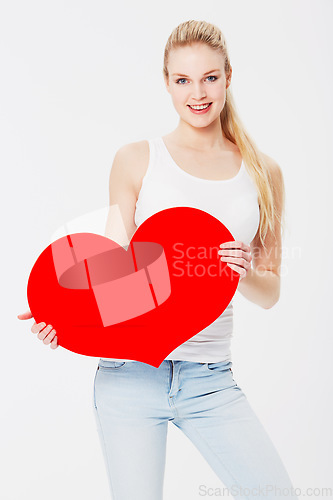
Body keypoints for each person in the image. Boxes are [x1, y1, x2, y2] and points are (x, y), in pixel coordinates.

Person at [18, 19, 299, 500]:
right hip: (128, 376)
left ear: (229, 77)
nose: (198, 93)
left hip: (210, 379)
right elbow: (112, 273)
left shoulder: (264, 172)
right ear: (166, 82)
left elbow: (270, 292)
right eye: (182, 80)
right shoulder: (137, 158)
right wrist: (61, 314)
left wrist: (244, 271)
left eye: (210, 77)